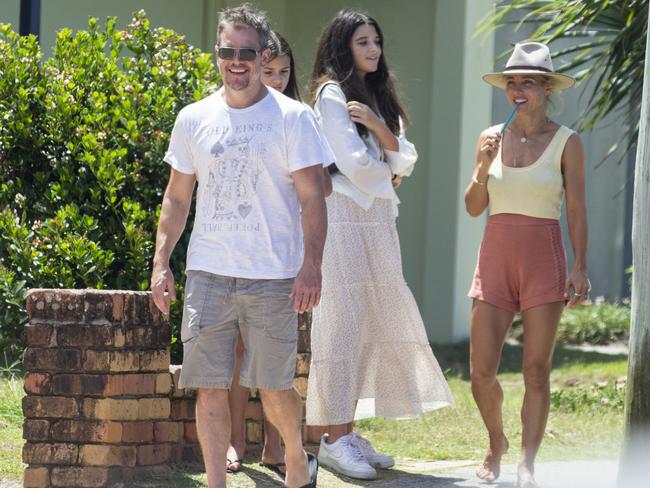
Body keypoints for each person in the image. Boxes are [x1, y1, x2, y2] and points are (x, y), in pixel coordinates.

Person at [150, 5, 332, 487]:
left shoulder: (293, 118)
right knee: (208, 387)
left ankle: (295, 453)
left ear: (263, 55)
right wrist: (161, 262)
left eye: (246, 52)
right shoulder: (194, 118)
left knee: (273, 389)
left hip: (273, 276)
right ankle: (216, 483)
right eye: (227, 51)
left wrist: (311, 266)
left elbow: (314, 198)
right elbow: (176, 195)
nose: (236, 61)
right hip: (208, 273)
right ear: (217, 55)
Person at [305, 9, 453, 481]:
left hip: (377, 218)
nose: (373, 50)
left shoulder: (375, 96)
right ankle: (330, 439)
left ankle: (345, 432)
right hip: (344, 219)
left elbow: (404, 156)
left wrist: (377, 126)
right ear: (342, 46)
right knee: (340, 323)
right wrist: (388, 169)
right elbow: (354, 164)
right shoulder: (331, 93)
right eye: (363, 42)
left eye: (376, 41)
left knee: (368, 322)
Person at [465, 41, 589, 488]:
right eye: (512, 82)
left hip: (544, 258)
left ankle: (526, 462)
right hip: (495, 256)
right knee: (481, 372)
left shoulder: (567, 142)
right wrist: (482, 165)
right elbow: (473, 207)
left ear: (546, 89)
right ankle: (495, 442)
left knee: (536, 369)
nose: (518, 90)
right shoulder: (489, 138)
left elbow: (576, 210)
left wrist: (580, 268)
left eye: (528, 83)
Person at [226, 30, 333, 478]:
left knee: (275, 362)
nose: (274, 78)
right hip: (235, 253)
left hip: (283, 256)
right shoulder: (227, 112)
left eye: (283, 71)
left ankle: (277, 445)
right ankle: (233, 441)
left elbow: (323, 186)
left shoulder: (299, 118)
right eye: (267, 70)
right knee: (235, 354)